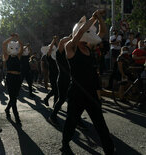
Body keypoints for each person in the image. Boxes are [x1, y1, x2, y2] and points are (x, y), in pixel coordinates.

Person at [61, 10, 114, 154]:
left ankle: (109, 150)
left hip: (90, 92)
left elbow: (102, 32)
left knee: (100, 124)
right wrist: (93, 17)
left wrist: (100, 18)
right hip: (76, 93)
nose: (86, 38)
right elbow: (80, 32)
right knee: (71, 122)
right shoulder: (70, 47)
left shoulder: (89, 47)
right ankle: (65, 143)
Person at [48, 35, 71, 125]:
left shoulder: (68, 53)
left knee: (71, 99)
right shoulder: (59, 52)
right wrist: (73, 36)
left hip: (69, 79)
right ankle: (53, 116)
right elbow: (61, 41)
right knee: (62, 99)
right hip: (62, 79)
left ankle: (74, 118)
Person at [3, 33, 23, 126]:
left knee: (14, 96)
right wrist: (11, 38)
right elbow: (3, 44)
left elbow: (21, 45)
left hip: (18, 78)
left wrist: (17, 38)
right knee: (13, 98)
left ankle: (7, 109)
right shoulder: (7, 56)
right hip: (10, 77)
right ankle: (17, 118)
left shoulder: (19, 56)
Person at [43, 36, 59, 107]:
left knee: (57, 90)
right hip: (52, 74)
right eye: (51, 49)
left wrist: (57, 42)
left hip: (59, 73)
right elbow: (50, 50)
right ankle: (47, 99)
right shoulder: (48, 56)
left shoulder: (57, 56)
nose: (52, 50)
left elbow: (59, 48)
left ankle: (55, 103)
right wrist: (53, 41)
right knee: (55, 90)